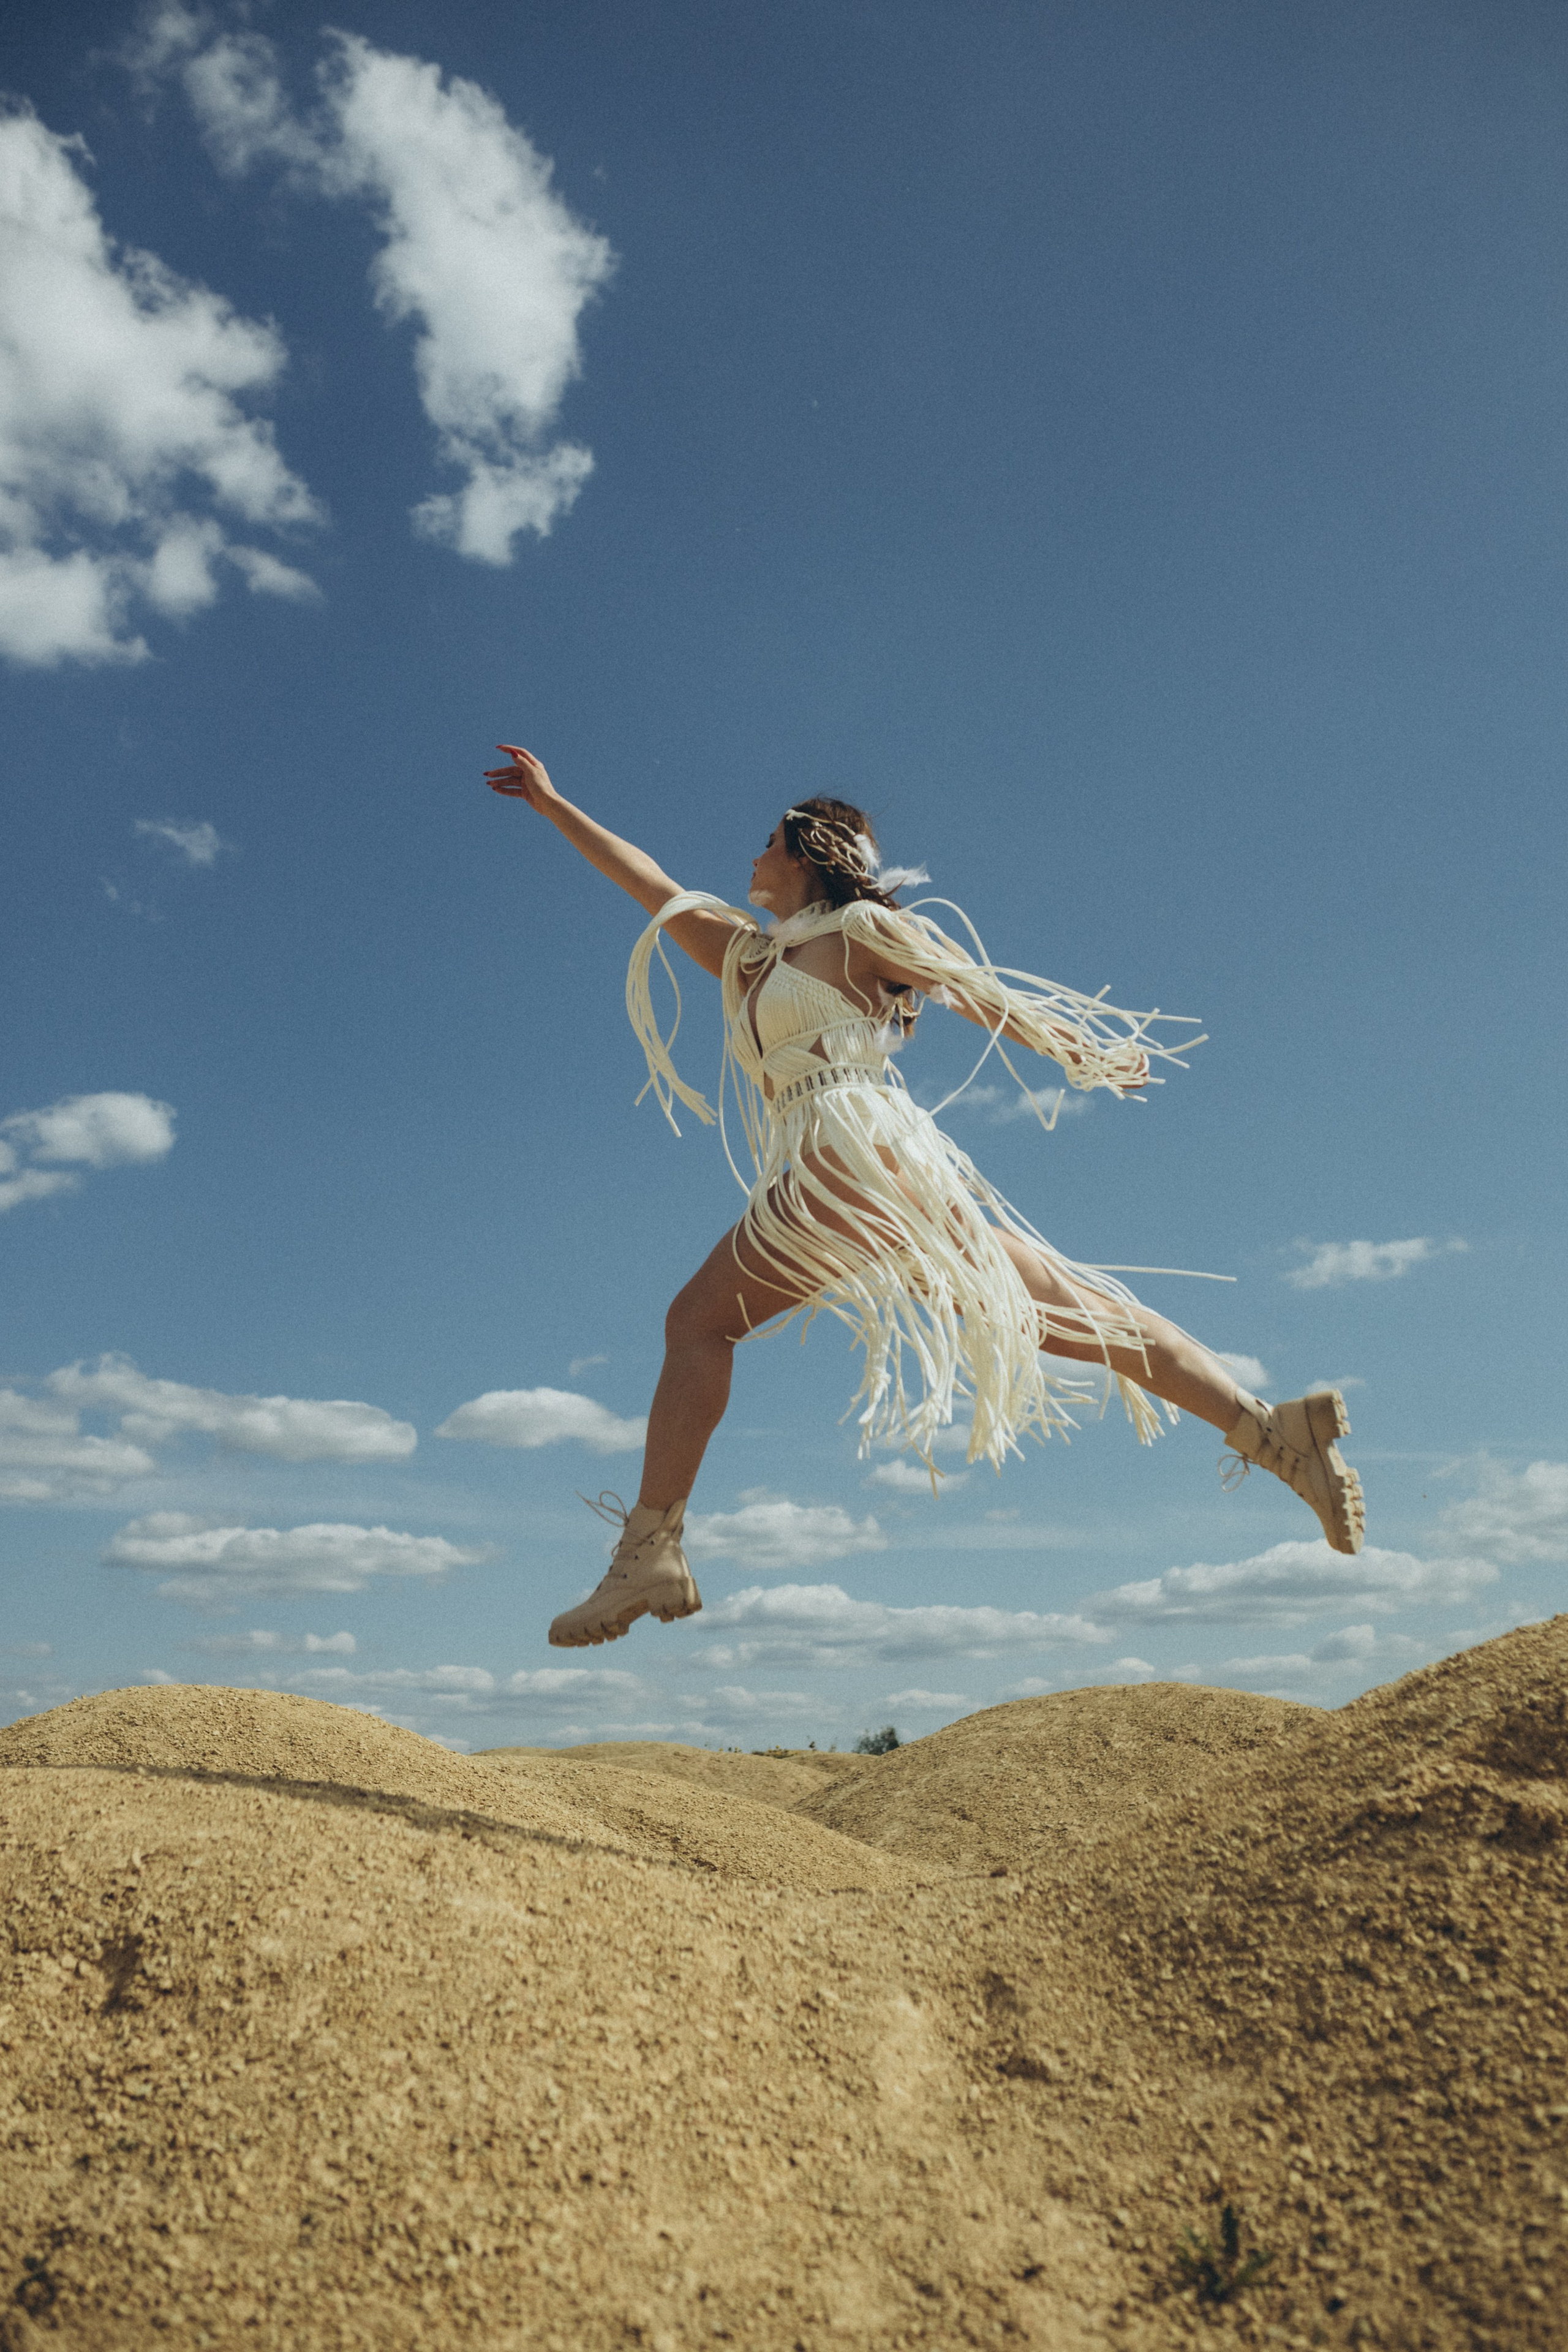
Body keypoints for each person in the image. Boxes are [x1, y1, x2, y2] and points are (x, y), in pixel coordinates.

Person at [484, 744, 1365, 1649]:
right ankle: (1272, 1430)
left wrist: (1080, 1051)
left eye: (768, 841)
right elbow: (652, 881)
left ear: (806, 854)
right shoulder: (747, 955)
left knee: (699, 1323)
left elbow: (980, 995)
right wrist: (554, 807)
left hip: (853, 1147)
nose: (751, 856)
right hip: (862, 1168)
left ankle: (651, 1550)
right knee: (1075, 1317)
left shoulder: (859, 936)